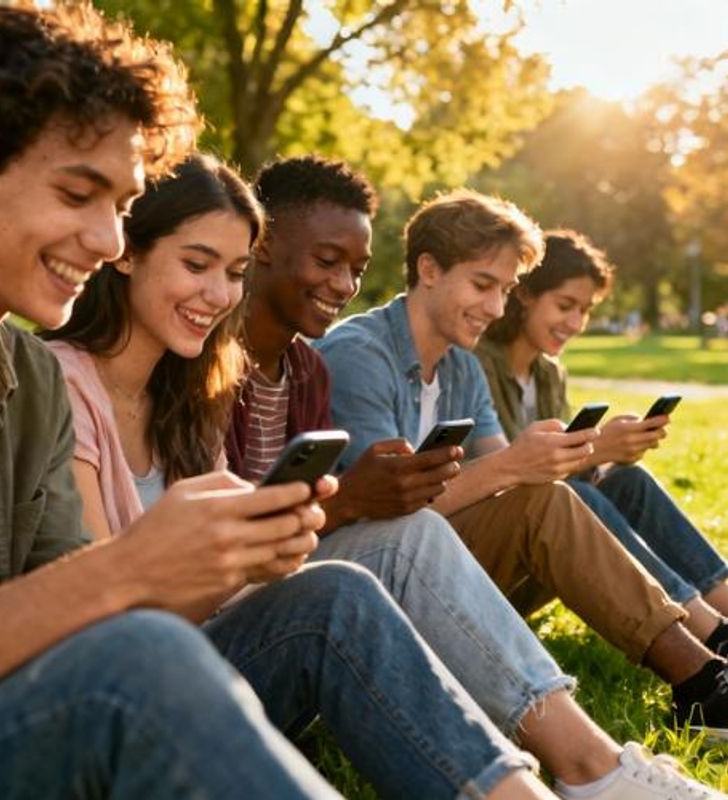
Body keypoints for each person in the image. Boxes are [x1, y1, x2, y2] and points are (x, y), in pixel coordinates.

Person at [0, 7, 548, 800]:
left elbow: (67, 623)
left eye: (121, 207)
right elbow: (99, 618)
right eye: (78, 193)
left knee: (327, 594)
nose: (109, 241)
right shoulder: (64, 377)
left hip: (23, 725)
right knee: (143, 661)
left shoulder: (24, 385)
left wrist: (227, 558)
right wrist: (128, 569)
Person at [42, 153, 557, 799]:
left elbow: (221, 592)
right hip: (117, 690)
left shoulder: (192, 394)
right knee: (336, 593)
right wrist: (241, 555)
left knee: (339, 585)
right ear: (126, 252)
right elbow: (102, 620)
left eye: (234, 273)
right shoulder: (61, 383)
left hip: (205, 653)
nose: (220, 295)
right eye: (197, 265)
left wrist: (269, 546)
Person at [229, 154, 726, 799]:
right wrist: (516, 466)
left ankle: (699, 668)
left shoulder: (458, 367)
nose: (495, 307)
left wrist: (558, 456)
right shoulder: (355, 356)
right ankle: (692, 687)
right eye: (483, 285)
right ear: (428, 270)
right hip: (364, 580)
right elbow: (390, 511)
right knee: (524, 506)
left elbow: (501, 473)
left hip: (422, 570)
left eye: (505, 291)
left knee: (553, 496)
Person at [475, 228, 728, 718]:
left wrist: (608, 456)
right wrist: (594, 450)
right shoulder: (477, 366)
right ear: (524, 295)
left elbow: (567, 474)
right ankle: (708, 634)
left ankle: (722, 612)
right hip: (500, 555)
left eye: (584, 310)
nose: (575, 323)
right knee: (579, 494)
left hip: (550, 539)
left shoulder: (549, 372)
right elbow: (509, 484)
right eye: (564, 305)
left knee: (628, 481)